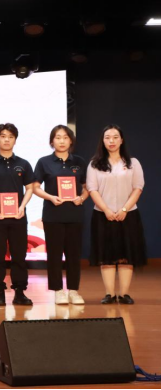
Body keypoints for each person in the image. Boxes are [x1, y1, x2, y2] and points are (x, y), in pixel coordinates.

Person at [87, 124, 145, 304]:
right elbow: (92, 189)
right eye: (107, 137)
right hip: (102, 215)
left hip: (128, 215)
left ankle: (125, 294)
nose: (111, 141)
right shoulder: (94, 164)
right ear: (102, 141)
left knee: (127, 256)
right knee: (107, 256)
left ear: (121, 140)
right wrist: (106, 209)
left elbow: (138, 187)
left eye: (115, 137)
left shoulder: (133, 163)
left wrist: (124, 209)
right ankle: (109, 294)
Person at [32, 125, 89, 305]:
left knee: (74, 255)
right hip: (53, 215)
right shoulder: (44, 162)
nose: (62, 141)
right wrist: (50, 197)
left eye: (65, 137)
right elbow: (35, 187)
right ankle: (58, 291)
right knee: (54, 255)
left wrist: (81, 198)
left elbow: (87, 187)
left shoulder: (79, 162)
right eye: (58, 137)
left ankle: (73, 291)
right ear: (52, 141)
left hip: (75, 215)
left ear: (71, 140)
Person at [0, 124, 35, 306]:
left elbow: (30, 188)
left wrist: (22, 206)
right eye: (3, 136)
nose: (6, 139)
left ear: (15, 140)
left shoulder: (23, 164)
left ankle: (19, 292)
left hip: (18, 217)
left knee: (19, 256)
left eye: (10, 136)